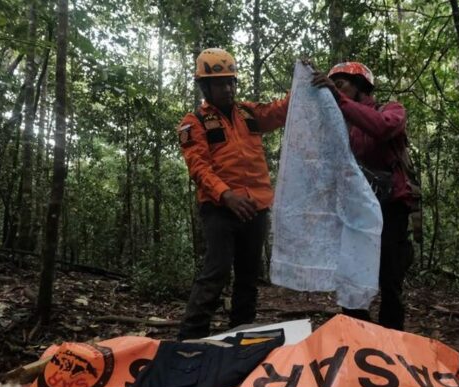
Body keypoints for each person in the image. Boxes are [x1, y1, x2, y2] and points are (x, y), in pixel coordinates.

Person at [177, 48, 289, 340]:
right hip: (220, 209)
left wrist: (305, 84)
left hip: (256, 206)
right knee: (216, 272)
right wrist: (226, 195)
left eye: (230, 82)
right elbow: (199, 167)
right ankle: (189, 339)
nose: (227, 88)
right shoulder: (194, 122)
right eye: (219, 83)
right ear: (205, 87)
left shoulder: (248, 112)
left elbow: (280, 111)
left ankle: (241, 333)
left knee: (248, 276)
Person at [311, 61, 415, 331]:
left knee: (390, 277)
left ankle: (392, 337)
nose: (336, 91)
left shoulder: (391, 109)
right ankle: (359, 335)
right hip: (356, 211)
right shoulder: (342, 125)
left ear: (360, 86)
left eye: (341, 85)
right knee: (352, 274)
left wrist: (340, 101)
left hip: (391, 206)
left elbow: (382, 127)